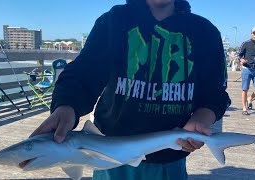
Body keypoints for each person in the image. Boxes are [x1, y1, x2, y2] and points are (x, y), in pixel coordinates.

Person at [25, 0, 231, 179]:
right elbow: (83, 73)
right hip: (110, 155)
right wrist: (67, 105)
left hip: (170, 155)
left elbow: (215, 90)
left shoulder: (205, 32)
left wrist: (204, 115)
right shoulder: (113, 22)